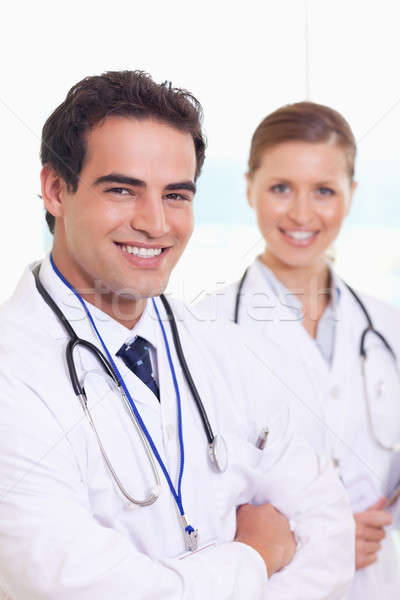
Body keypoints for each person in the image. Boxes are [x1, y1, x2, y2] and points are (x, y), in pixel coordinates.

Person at [0, 74, 354, 600]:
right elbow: (81, 587)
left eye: (176, 194)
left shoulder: (231, 351)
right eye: (122, 189)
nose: (155, 222)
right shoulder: (13, 370)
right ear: (56, 189)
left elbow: (329, 535)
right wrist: (257, 554)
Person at [196, 101, 400, 599]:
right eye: (281, 188)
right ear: (249, 188)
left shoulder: (388, 326)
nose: (302, 213)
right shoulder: (204, 327)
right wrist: (326, 540)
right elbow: (195, 501)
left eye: (325, 190)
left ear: (351, 196)